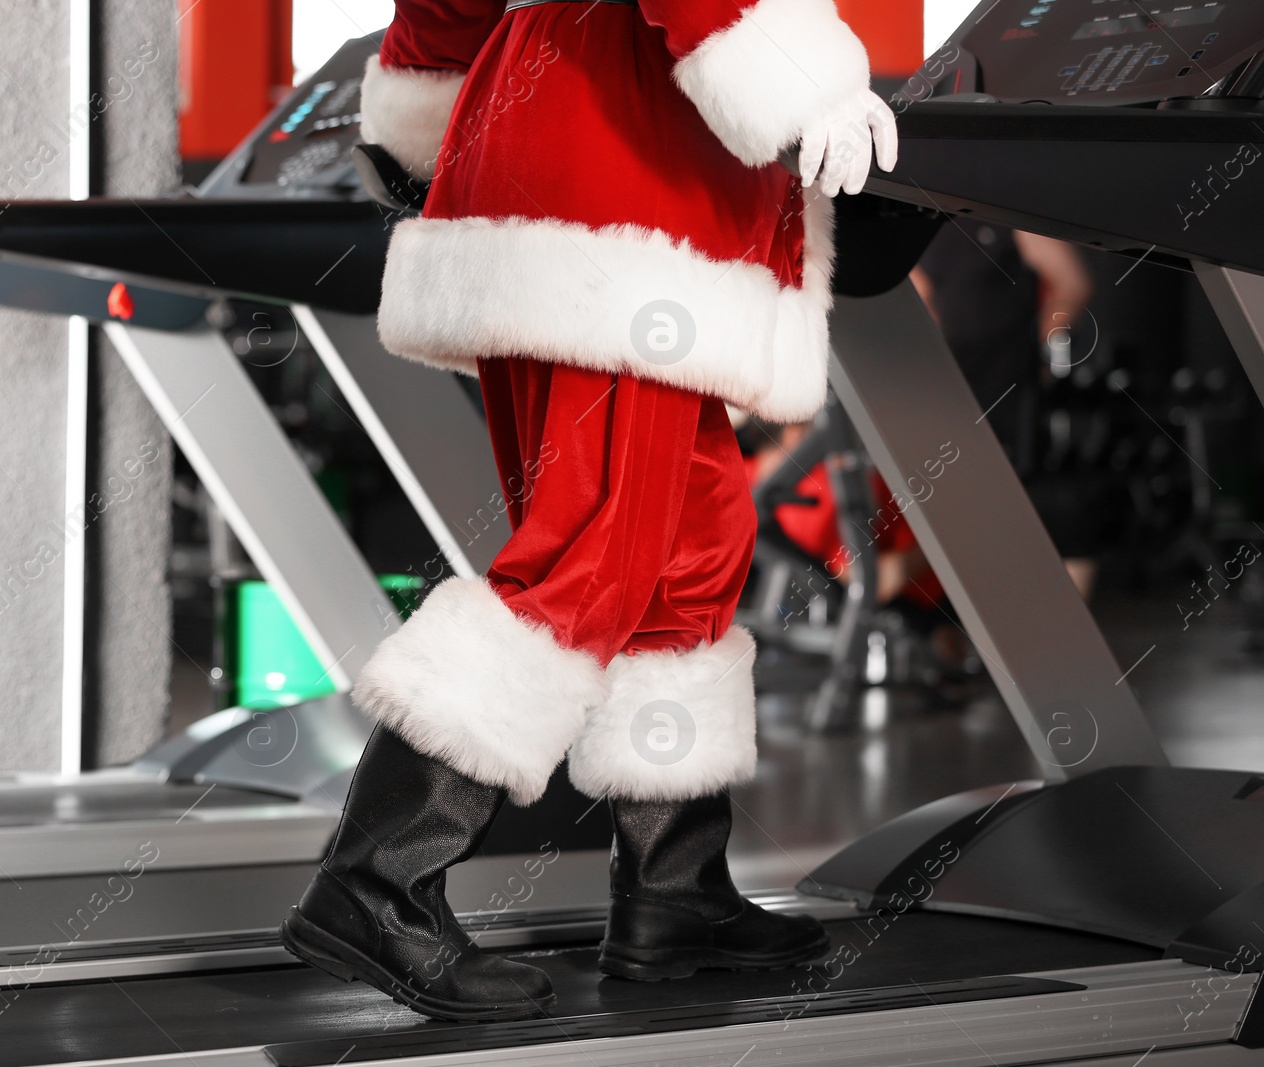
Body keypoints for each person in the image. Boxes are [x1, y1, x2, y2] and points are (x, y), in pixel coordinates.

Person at [280, 0, 898, 1021]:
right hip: (629, 186)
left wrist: (436, 109)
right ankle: (373, 882)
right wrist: (804, 82)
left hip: (546, 157)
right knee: (595, 548)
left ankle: (672, 890)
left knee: (688, 548)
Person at [911, 224, 1100, 599]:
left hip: (1010, 388)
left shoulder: (1002, 213)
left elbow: (1073, 283)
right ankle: (975, 638)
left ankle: (1050, 630)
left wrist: (1048, 341)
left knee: (1028, 507)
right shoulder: (923, 220)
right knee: (965, 514)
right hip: (950, 394)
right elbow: (921, 298)